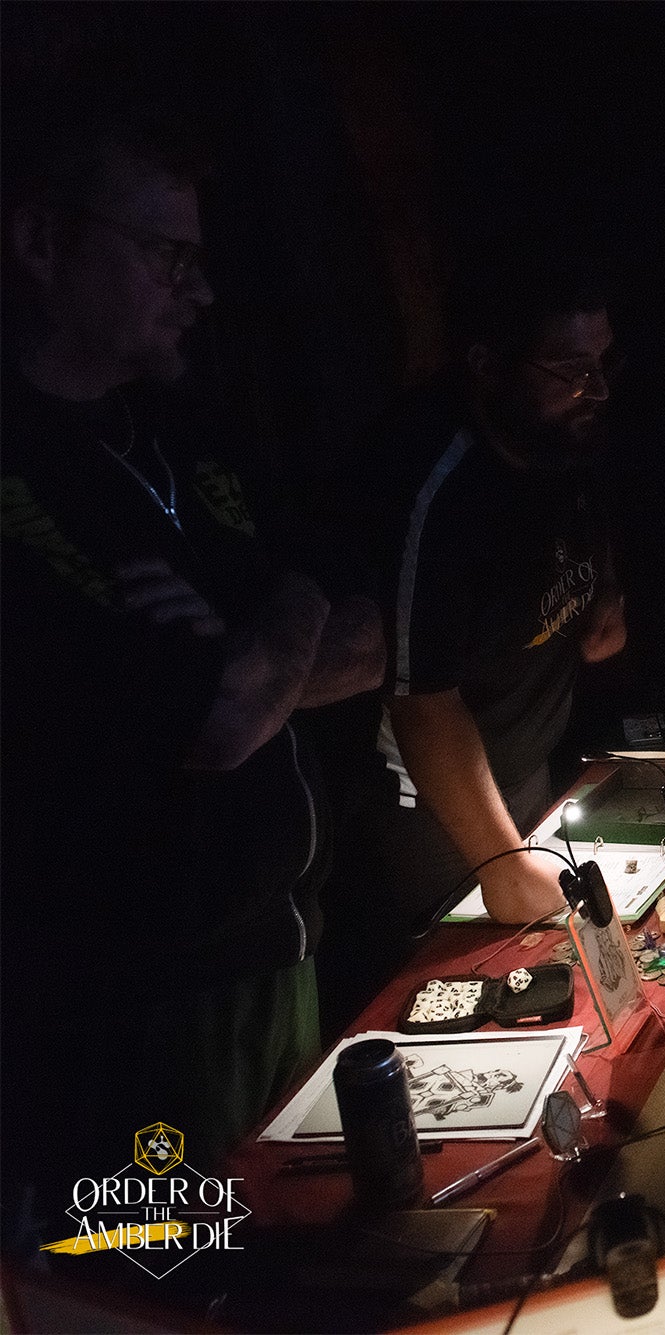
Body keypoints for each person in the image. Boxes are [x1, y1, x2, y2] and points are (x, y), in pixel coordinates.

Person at [0, 98, 383, 1227]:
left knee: (292, 1259)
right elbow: (209, 722)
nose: (200, 290)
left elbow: (364, 625)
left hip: (280, 960)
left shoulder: (180, 426)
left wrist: (260, 634)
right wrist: (256, 638)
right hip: (117, 1016)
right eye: (169, 257)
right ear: (41, 241)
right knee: (162, 1277)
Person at [314, 260, 627, 1034]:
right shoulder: (431, 483)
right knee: (468, 1016)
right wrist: (499, 865)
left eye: (604, 360)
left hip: (525, 767)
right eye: (572, 367)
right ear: (487, 363)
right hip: (434, 814)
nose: (598, 387)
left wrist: (605, 588)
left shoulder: (555, 426)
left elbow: (583, 505)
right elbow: (422, 701)